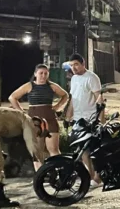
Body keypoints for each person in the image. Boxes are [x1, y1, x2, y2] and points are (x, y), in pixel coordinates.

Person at [8, 64, 69, 167]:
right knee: (37, 150)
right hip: (35, 120)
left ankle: (59, 173)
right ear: (35, 74)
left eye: (46, 73)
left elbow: (65, 95)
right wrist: (21, 111)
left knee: (53, 149)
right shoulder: (29, 85)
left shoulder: (52, 86)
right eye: (41, 73)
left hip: (50, 118)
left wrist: (58, 106)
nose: (43, 76)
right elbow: (12, 97)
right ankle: (40, 175)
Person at [65, 53, 104, 184]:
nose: (74, 68)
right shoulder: (74, 79)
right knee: (82, 150)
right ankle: (91, 176)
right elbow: (73, 99)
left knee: (94, 149)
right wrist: (68, 116)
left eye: (76, 64)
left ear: (83, 64)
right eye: (71, 65)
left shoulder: (92, 78)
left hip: (90, 119)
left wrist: (101, 120)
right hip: (78, 119)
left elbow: (99, 99)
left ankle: (98, 177)